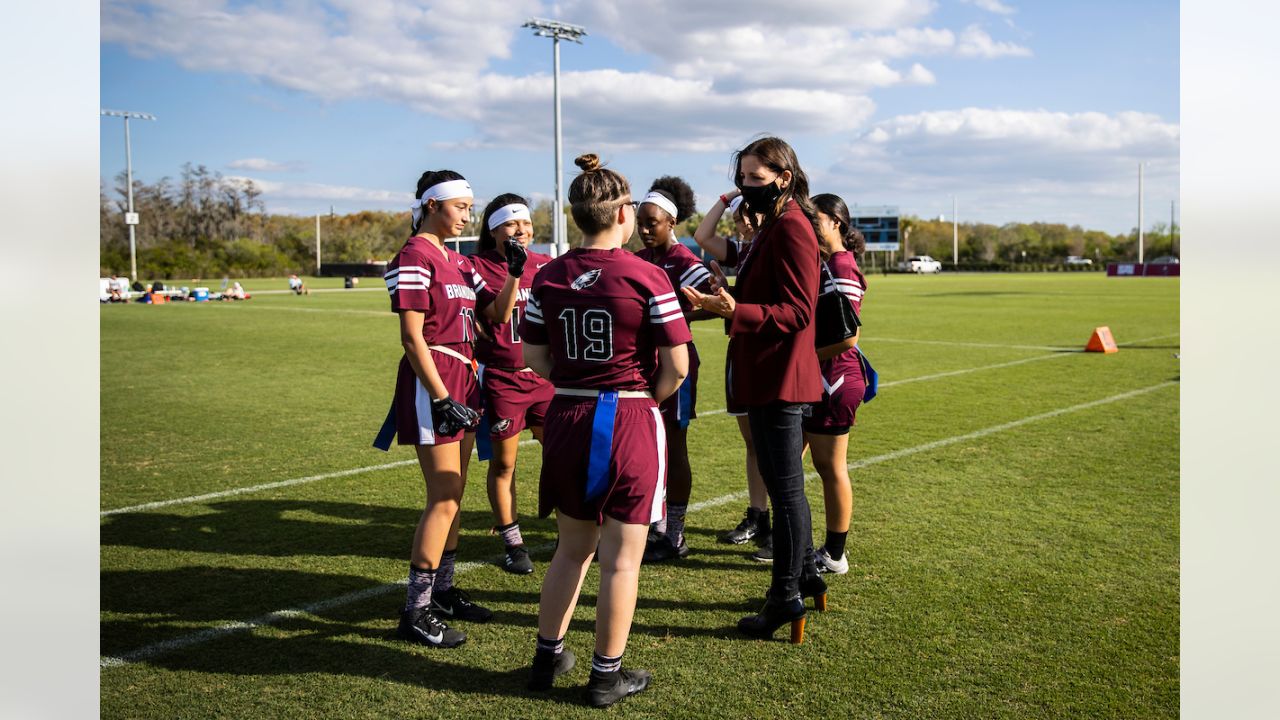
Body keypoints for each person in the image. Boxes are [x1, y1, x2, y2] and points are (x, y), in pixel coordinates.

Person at [520, 154, 690, 706]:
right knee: (622, 557)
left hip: (567, 415)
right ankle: (605, 675)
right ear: (622, 211)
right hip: (628, 417)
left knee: (571, 550)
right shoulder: (646, 274)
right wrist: (645, 399)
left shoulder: (548, 274)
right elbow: (678, 365)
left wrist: (574, 384)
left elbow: (534, 356)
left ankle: (547, 657)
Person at [682, 136, 825, 644]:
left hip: (781, 377)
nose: (746, 187)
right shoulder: (774, 225)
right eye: (741, 178)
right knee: (783, 485)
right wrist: (731, 293)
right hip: (764, 372)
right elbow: (771, 297)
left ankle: (785, 594)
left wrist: (733, 311)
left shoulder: (792, 227)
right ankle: (805, 574)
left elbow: (798, 313)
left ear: (784, 178)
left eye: (756, 179)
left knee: (785, 492)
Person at [374, 169, 524, 649]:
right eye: (461, 206)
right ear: (433, 205)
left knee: (454, 495)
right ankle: (415, 611)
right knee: (443, 495)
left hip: (465, 376)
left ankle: (444, 592)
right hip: (434, 379)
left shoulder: (457, 261)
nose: (468, 215)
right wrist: (440, 397)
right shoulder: (415, 254)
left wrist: (516, 272)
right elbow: (412, 337)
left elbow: (497, 318)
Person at [470, 193, 555, 575]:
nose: (520, 230)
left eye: (525, 224)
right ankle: (512, 540)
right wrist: (513, 272)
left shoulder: (547, 264)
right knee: (505, 464)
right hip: (503, 379)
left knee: (563, 453)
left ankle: (572, 528)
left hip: (544, 378)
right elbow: (497, 317)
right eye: (510, 224)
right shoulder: (478, 266)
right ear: (493, 231)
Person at [633, 175, 713, 563]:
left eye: (653, 222)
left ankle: (675, 534)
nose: (645, 229)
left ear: (672, 223)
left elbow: (717, 299)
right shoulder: (642, 259)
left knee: (674, 446)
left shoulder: (685, 261)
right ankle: (657, 524)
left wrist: (678, 319)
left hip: (676, 365)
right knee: (651, 444)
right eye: (640, 222)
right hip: (645, 365)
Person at [693, 194, 773, 556]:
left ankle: (775, 523)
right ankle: (758, 515)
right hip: (740, 349)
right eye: (738, 218)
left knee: (771, 443)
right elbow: (703, 235)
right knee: (752, 442)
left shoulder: (775, 246)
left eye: (744, 217)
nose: (739, 224)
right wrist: (726, 199)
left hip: (768, 353)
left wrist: (732, 299)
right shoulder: (744, 250)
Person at [806, 194, 869, 575]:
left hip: (835, 378)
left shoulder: (843, 266)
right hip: (818, 375)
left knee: (830, 466)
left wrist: (805, 358)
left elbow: (849, 337)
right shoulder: (824, 263)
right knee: (786, 462)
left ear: (835, 222)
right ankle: (787, 540)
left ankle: (834, 553)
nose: (809, 224)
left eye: (815, 217)